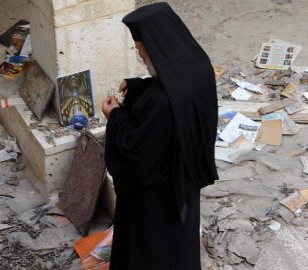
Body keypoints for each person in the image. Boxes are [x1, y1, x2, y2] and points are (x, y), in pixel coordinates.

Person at [101, 2, 219, 270]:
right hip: (184, 180)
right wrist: (138, 86)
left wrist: (115, 117)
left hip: (159, 196)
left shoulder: (163, 104)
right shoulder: (197, 64)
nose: (141, 56)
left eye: (142, 51)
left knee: (152, 250)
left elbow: (135, 151)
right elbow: (172, 84)